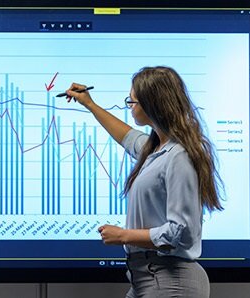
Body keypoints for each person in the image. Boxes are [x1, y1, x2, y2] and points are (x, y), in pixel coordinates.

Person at [64, 66, 223, 298]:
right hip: (148, 277)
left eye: (133, 101)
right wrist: (90, 104)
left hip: (170, 280)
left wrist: (123, 236)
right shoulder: (157, 150)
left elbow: (181, 232)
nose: (129, 106)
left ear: (152, 104)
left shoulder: (179, 155)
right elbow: (127, 137)